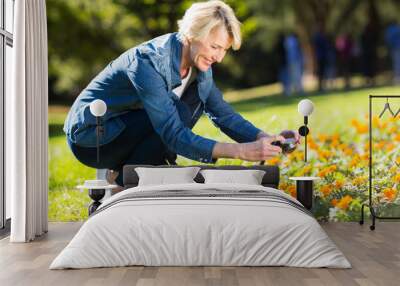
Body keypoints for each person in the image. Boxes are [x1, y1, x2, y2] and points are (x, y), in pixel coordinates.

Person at [63, 0, 300, 186]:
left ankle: (133, 174)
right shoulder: (148, 62)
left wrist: (264, 139)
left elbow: (222, 114)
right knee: (175, 110)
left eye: (224, 49)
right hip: (93, 139)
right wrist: (239, 151)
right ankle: (128, 180)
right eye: (215, 46)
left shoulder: (200, 65)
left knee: (182, 107)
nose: (219, 57)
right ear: (192, 35)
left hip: (125, 131)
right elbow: (172, 132)